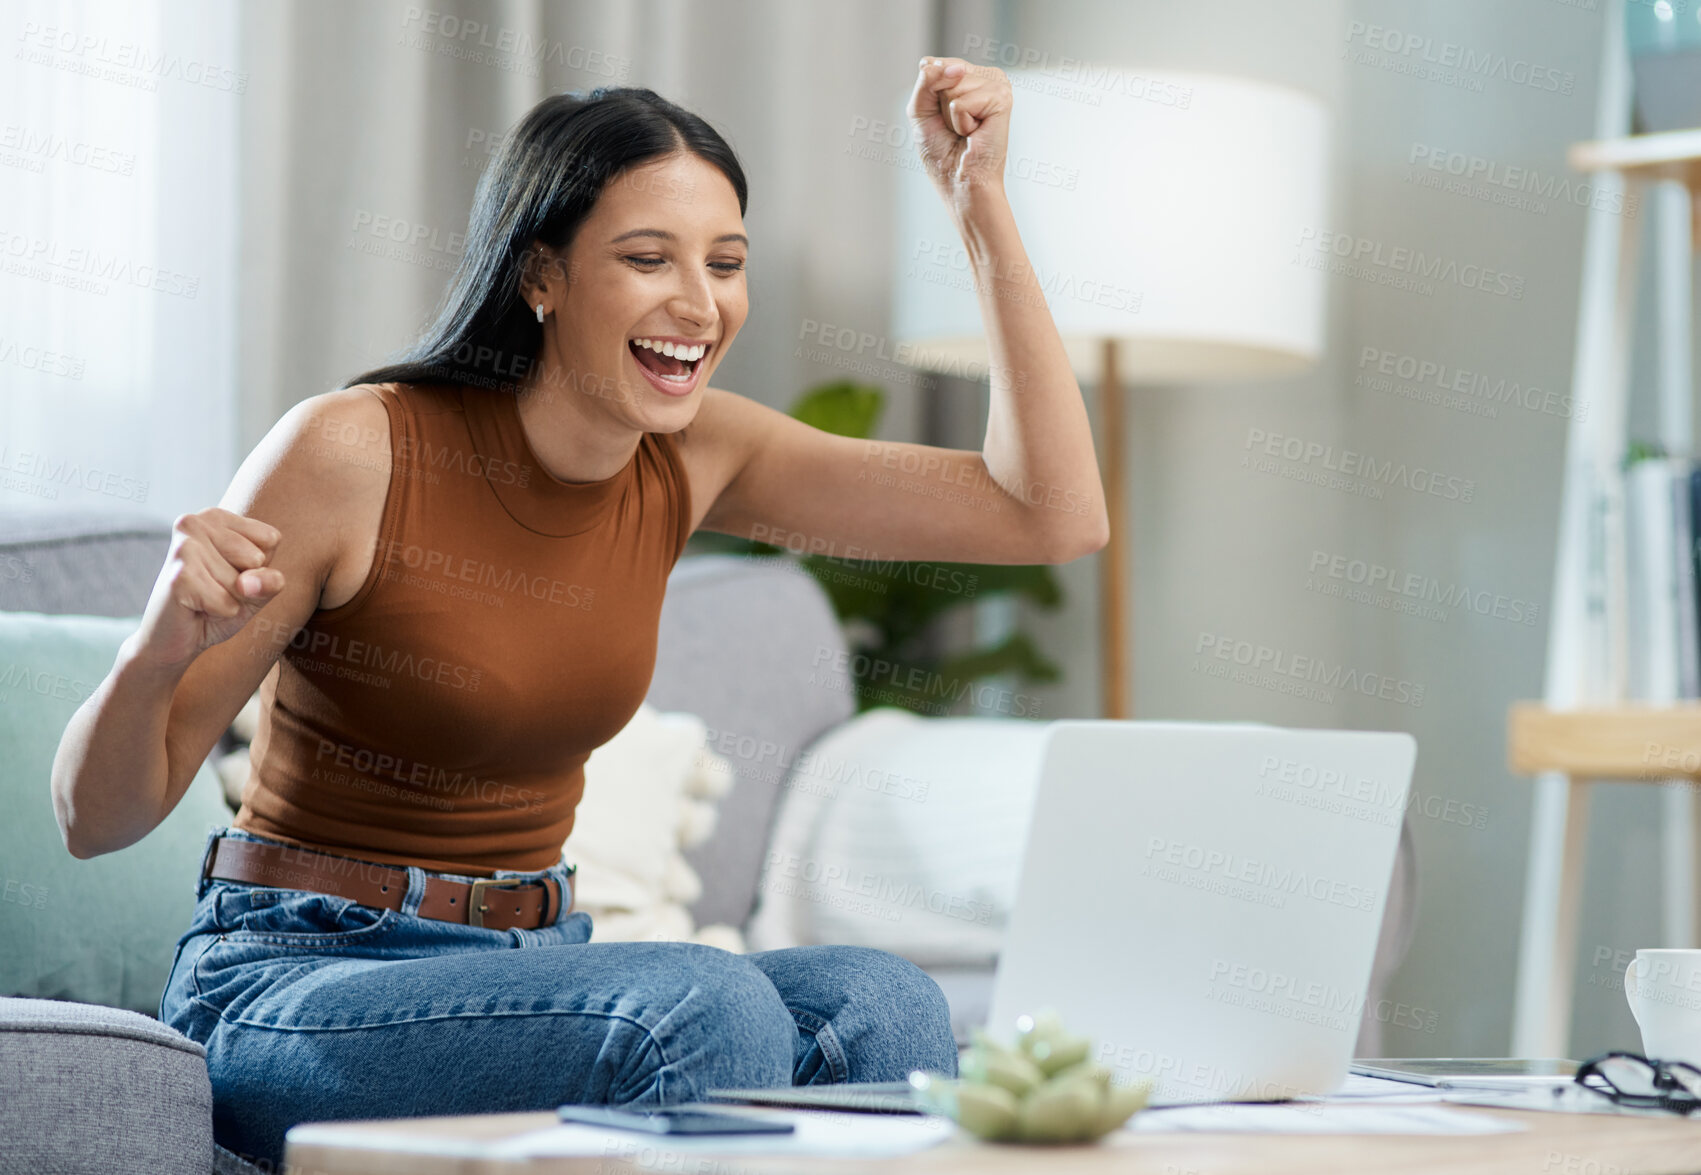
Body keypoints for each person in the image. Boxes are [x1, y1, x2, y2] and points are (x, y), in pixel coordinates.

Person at [49, 56, 1108, 1167]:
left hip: (533, 966)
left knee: (879, 999)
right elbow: (94, 818)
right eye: (648, 258)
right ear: (541, 274)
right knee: (705, 1006)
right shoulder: (354, 448)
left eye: (726, 263)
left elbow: (1049, 516)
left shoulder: (695, 456)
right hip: (295, 981)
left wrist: (978, 204)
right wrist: (158, 646)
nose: (699, 304)